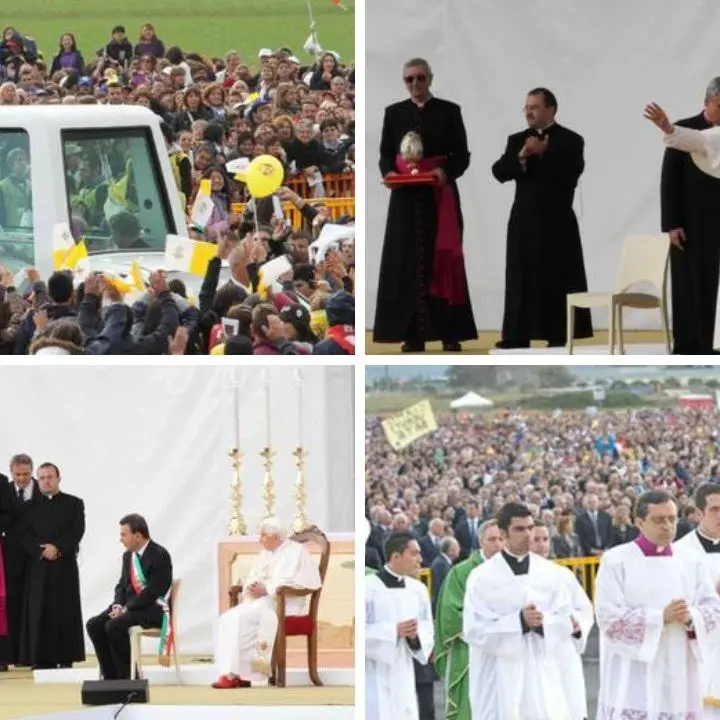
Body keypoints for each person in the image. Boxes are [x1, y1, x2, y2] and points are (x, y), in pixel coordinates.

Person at [374, 58, 477, 352]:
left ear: (430, 78)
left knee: (443, 261)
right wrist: (389, 174)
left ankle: (450, 332)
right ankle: (413, 334)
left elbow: (461, 156)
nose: (415, 84)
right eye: (409, 79)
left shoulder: (449, 111)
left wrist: (442, 174)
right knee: (406, 262)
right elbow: (385, 154)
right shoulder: (394, 113)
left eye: (420, 78)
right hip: (405, 200)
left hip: (438, 198)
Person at [595, 490, 720, 718]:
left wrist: (691, 616)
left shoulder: (691, 560)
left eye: (672, 519)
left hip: (679, 668)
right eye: (659, 520)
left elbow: (713, 608)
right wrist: (660, 617)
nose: (667, 526)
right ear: (640, 522)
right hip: (634, 670)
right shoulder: (616, 560)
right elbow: (607, 616)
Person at [491, 88, 592, 348]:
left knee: (557, 277)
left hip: (557, 221)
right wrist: (523, 156)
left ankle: (558, 333)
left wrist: (544, 154)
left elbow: (571, 175)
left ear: (551, 109)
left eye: (534, 106)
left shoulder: (571, 140)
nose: (528, 111)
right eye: (526, 107)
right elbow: (499, 172)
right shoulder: (517, 140)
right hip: (524, 220)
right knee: (520, 277)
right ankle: (517, 334)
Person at [463, 502, 573, 719]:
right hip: (498, 673)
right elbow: (474, 629)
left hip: (540, 669)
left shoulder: (550, 573)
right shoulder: (482, 577)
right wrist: (519, 622)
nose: (528, 534)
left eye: (530, 527)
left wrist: (543, 622)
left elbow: (564, 618)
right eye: (519, 529)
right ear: (503, 533)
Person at [646, 86, 720, 353]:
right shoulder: (686, 128)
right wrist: (671, 223)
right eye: (719, 106)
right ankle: (689, 344)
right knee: (689, 282)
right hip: (690, 220)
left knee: (713, 283)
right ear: (707, 102)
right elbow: (670, 180)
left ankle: (711, 343)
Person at [212, 517, 321, 688]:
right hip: (262, 602)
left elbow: (303, 583)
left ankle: (236, 674)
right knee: (227, 618)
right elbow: (252, 577)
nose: (259, 539)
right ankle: (236, 674)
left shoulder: (296, 552)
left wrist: (268, 589)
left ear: (275, 536)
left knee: (243, 619)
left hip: (285, 605)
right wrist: (251, 588)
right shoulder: (265, 554)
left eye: (263, 535)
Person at [86, 514, 173, 680]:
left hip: (152, 609)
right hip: (129, 608)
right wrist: (118, 606)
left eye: (123, 535)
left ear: (138, 535)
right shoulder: (128, 556)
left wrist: (126, 609)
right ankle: (110, 676)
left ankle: (129, 677)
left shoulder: (160, 555)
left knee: (114, 626)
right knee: (94, 624)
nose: (121, 539)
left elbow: (153, 592)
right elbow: (122, 586)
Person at [434, 519, 504, 720]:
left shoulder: (511, 571)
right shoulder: (462, 572)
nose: (497, 544)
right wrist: (488, 630)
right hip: (470, 651)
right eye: (492, 539)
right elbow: (451, 614)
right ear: (481, 541)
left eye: (501, 539)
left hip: (506, 648)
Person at [18, 462, 85, 669]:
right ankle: (40, 658)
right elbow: (23, 535)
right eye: (43, 477)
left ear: (58, 478)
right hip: (38, 568)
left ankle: (66, 657)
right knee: (39, 611)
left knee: (65, 611)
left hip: (64, 565)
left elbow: (77, 531)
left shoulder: (74, 503)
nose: (46, 481)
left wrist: (58, 548)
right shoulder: (27, 507)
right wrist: (41, 551)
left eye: (50, 477)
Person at [365, 531, 433, 720]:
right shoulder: (367, 587)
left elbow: (427, 628)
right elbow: (356, 634)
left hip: (404, 669)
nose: (419, 559)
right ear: (395, 556)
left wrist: (415, 637)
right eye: (414, 553)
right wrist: (392, 632)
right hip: (373, 672)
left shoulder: (418, 590)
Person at [530, 521, 594, 720]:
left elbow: (584, 608)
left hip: (564, 651)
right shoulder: (518, 577)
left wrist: (578, 625)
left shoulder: (563, 574)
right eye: (536, 539)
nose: (542, 544)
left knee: (570, 702)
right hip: (535, 651)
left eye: (545, 539)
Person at [674, 484, 720, 717]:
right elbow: (674, 603)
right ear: (699, 513)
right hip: (697, 646)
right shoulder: (679, 553)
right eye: (715, 509)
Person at [0, 455, 39, 670]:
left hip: (36, 555)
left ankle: (33, 652)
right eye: (18, 475)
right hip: (10, 555)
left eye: (26, 474)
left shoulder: (42, 490)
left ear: (31, 471)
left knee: (35, 603)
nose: (22, 478)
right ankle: (12, 653)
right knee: (12, 603)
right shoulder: (4, 490)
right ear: (11, 472)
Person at [430, 536, 459, 613]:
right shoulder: (441, 564)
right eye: (457, 547)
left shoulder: (444, 563)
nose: (459, 549)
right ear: (451, 550)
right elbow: (442, 587)